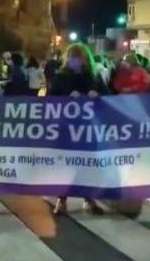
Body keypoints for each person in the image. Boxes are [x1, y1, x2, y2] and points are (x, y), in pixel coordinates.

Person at [48, 43, 108, 214]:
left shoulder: (94, 77)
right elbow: (51, 101)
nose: (76, 61)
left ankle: (88, 198)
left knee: (87, 165)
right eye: (73, 58)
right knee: (66, 165)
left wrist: (98, 96)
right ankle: (62, 199)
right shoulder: (60, 78)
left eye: (79, 58)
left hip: (88, 129)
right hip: (67, 129)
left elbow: (109, 98)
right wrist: (66, 99)